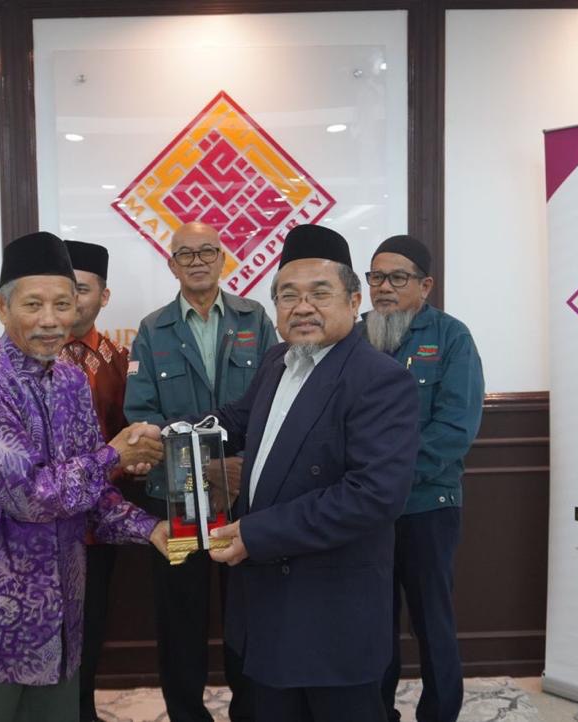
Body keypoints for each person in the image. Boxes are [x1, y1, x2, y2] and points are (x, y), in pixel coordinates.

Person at [0, 231, 169, 722]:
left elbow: (90, 493)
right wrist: (113, 455)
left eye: (63, 303)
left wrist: (151, 529)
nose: (51, 319)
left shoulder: (72, 381)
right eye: (33, 304)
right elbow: (31, 495)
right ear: (1, 307)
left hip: (57, 614)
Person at [207, 223, 420, 722]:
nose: (302, 307)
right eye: (288, 295)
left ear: (353, 300)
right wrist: (168, 437)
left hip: (331, 614)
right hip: (266, 602)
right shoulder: (277, 360)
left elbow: (371, 496)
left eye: (319, 293)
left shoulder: (380, 380)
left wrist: (257, 533)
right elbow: (235, 421)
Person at [124, 221, 276, 722]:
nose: (197, 261)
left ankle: (250, 713)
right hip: (177, 493)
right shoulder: (153, 329)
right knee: (180, 616)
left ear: (223, 258)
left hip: (245, 492)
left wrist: (239, 468)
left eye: (207, 251)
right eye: (185, 254)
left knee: (248, 612)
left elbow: (275, 402)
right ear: (171, 265)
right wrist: (207, 467)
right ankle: (187, 715)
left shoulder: (256, 319)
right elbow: (141, 415)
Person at [363, 234, 484, 722]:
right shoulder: (354, 335)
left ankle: (439, 713)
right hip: (364, 509)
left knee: (432, 621)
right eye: (376, 277)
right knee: (372, 622)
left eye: (398, 278)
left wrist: (391, 480)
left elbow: (456, 428)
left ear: (425, 285)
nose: (384, 288)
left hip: (427, 506)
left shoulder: (452, 337)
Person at [59, 240, 132, 722]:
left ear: (103, 297)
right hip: (38, 522)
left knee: (91, 623)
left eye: (82, 289)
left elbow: (128, 434)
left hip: (97, 521)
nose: (71, 300)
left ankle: (82, 708)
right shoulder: (26, 356)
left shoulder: (117, 360)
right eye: (64, 289)